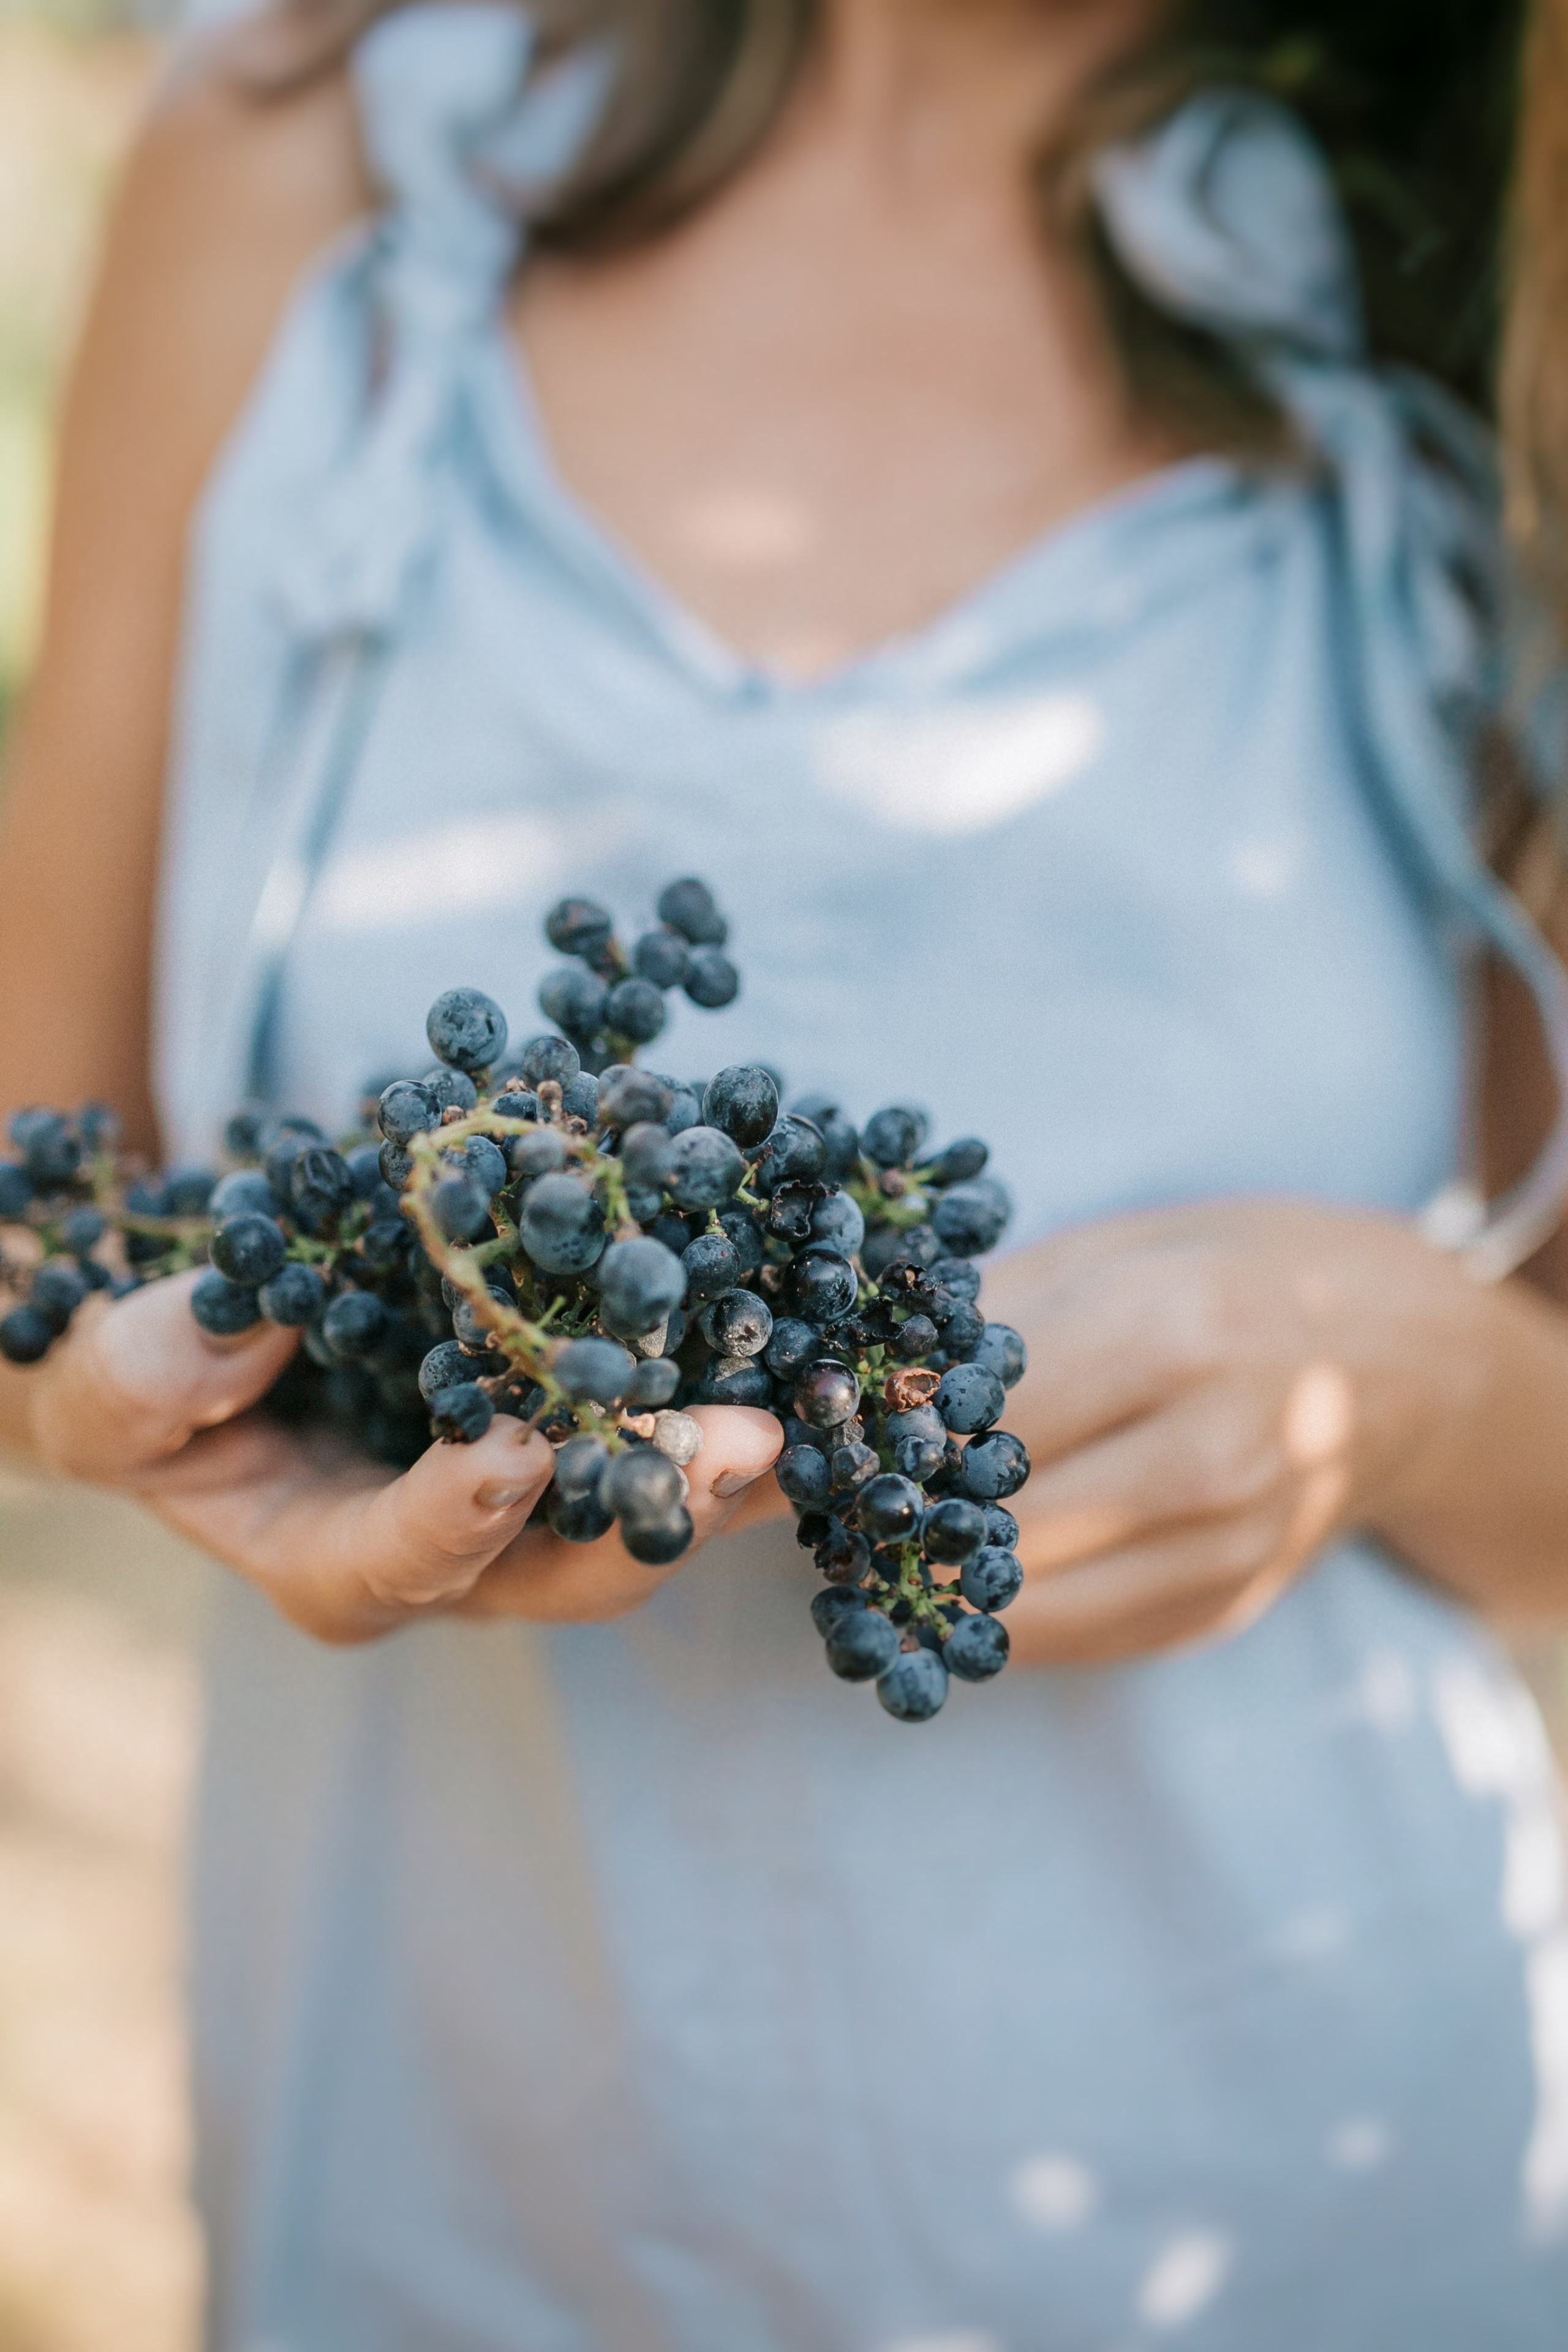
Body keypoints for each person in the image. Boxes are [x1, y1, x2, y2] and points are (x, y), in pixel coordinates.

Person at [1, 0, 1567, 2341]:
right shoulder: (308, 158)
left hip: (1289, 2204)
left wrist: (1406, 1378)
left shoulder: (1485, 287)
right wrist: (122, 1397)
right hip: (448, 2182)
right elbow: (40, 1195)